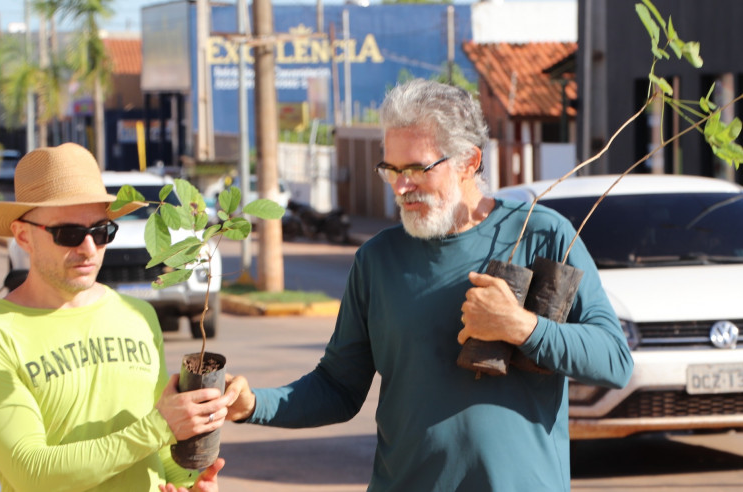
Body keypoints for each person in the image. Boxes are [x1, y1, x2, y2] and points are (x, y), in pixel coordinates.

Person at [222, 79, 634, 491]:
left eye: (417, 168)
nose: (401, 187)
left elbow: (614, 359)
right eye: (391, 170)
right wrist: (254, 404)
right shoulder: (377, 260)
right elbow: (338, 387)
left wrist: (520, 327)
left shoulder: (544, 235)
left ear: (469, 162)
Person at [0, 142, 230, 492]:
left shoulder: (139, 317)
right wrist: (161, 426)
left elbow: (156, 454)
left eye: (101, 232)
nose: (88, 248)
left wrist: (191, 481)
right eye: (68, 234)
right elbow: (31, 471)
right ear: (23, 236)